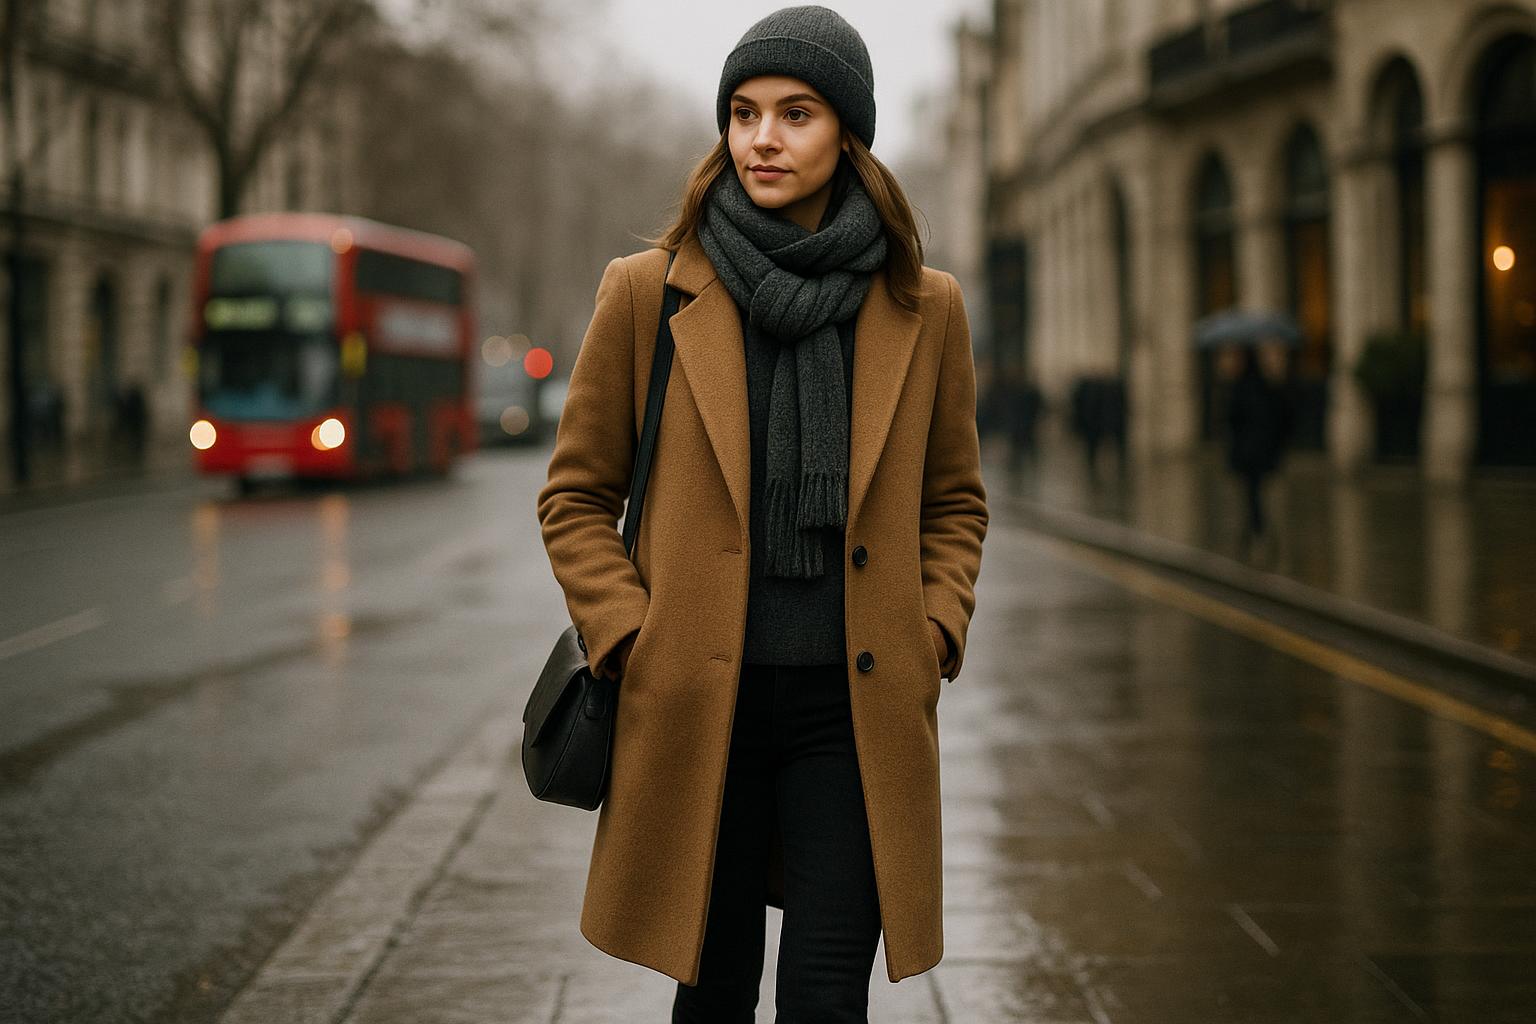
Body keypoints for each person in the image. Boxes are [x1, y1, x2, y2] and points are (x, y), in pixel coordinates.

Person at [534, 6, 988, 1021]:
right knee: (715, 994)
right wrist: (628, 635)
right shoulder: (648, 293)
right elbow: (574, 495)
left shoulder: (925, 307)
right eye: (743, 114)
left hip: (854, 706)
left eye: (795, 113)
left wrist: (935, 627)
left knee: (827, 997)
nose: (763, 139)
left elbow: (954, 499)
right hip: (699, 706)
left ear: (848, 134)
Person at [1225, 344, 1293, 560]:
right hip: (1264, 453)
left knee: (1252, 496)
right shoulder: (1267, 386)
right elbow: (1283, 418)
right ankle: (1252, 534)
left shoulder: (1240, 388)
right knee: (1253, 495)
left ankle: (1258, 533)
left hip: (1248, 453)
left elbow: (1231, 421)